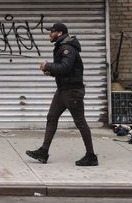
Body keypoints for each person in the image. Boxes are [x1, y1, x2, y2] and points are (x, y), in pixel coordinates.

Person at [25, 22, 98, 166]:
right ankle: (43, 152)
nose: (49, 34)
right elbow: (64, 70)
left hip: (72, 91)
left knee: (80, 122)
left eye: (51, 32)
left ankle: (91, 156)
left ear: (59, 33)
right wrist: (51, 72)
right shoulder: (62, 46)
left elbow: (65, 67)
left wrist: (48, 66)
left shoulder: (67, 48)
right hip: (63, 90)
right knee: (52, 117)